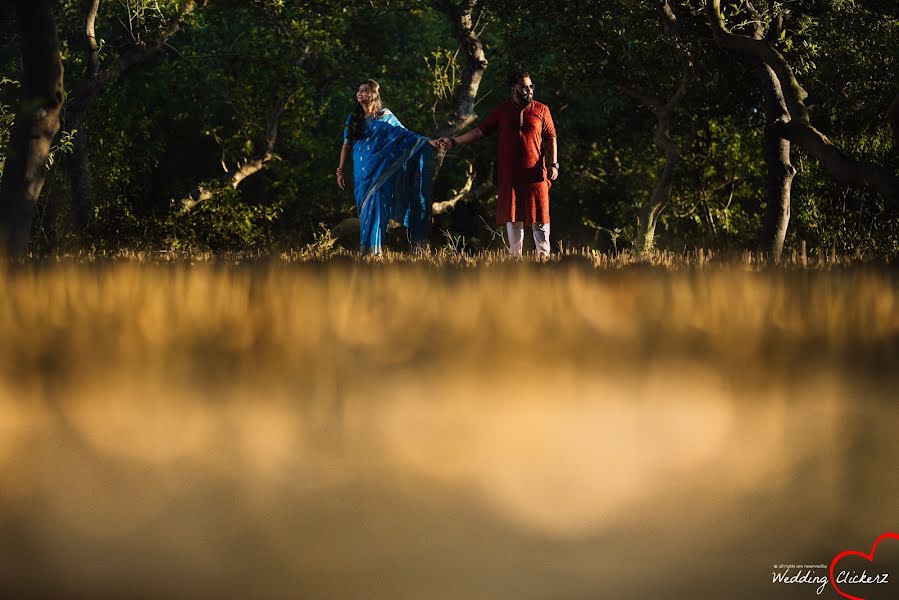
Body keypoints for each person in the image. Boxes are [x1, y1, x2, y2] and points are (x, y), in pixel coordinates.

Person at [439, 71, 558, 256]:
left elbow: (551, 137)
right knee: (513, 218)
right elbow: (479, 132)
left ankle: (544, 258)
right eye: (525, 87)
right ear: (514, 88)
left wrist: (553, 164)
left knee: (540, 216)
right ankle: (515, 260)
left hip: (536, 174)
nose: (529, 91)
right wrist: (454, 141)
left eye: (531, 87)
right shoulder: (501, 111)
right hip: (510, 176)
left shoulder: (542, 110)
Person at [336, 79, 442, 254]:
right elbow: (346, 146)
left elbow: (406, 135)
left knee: (377, 209)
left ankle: (373, 253)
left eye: (365, 90)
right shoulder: (352, 119)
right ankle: (367, 251)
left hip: (381, 172)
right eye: (359, 90)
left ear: (374, 94)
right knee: (364, 210)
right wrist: (340, 170)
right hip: (362, 173)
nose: (360, 93)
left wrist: (429, 141)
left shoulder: (386, 117)